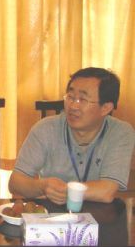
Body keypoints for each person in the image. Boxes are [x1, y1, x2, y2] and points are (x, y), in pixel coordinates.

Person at [9, 67, 135, 204]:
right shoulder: (46, 128)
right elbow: (15, 183)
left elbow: (107, 191)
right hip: (53, 213)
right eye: (70, 97)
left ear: (105, 108)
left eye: (83, 99)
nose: (73, 106)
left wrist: (68, 191)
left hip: (99, 213)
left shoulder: (120, 133)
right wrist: (42, 186)